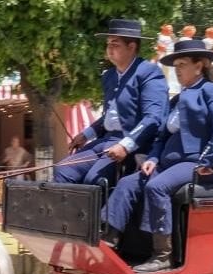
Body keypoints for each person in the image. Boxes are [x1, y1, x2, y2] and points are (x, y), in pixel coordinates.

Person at [102, 39, 213, 273]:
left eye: (182, 64)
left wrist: (209, 160)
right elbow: (162, 136)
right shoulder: (177, 99)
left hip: (200, 163)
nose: (177, 70)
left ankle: (163, 255)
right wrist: (153, 158)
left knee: (157, 187)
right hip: (170, 164)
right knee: (127, 183)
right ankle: (108, 243)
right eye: (176, 66)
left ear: (199, 65)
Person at [55, 18, 168, 185]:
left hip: (133, 144)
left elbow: (153, 118)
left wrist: (125, 146)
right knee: (62, 170)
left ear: (131, 47)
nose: (109, 48)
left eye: (115, 44)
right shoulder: (109, 76)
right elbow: (111, 115)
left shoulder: (149, 73)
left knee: (94, 180)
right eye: (108, 44)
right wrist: (86, 134)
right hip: (106, 140)